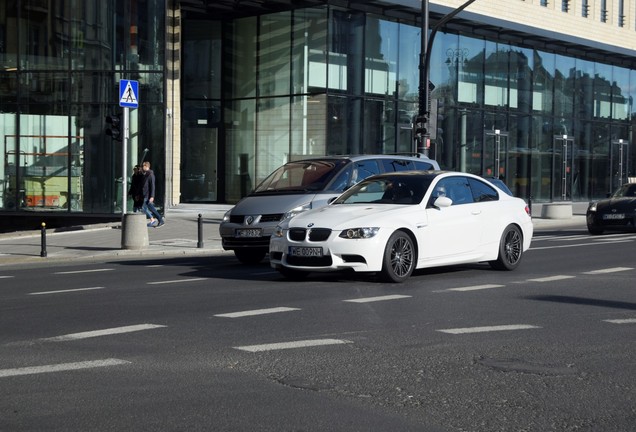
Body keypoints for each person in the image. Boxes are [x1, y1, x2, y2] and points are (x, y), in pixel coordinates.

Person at [141, 161, 165, 228]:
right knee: (150, 209)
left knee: (144, 208)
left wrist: (152, 196)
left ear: (147, 166)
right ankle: (159, 220)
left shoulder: (151, 175)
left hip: (148, 195)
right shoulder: (146, 174)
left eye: (144, 166)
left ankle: (157, 220)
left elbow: (152, 186)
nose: (143, 167)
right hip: (145, 195)